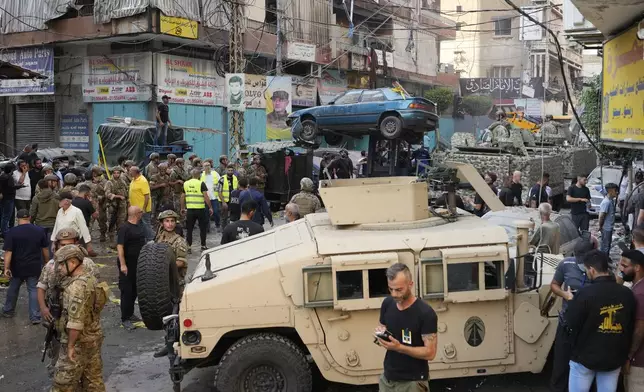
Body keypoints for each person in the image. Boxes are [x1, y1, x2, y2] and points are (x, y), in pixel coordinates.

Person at [566, 250, 635, 392]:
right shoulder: (627, 294)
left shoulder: (584, 294)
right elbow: (629, 326)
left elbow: (571, 324)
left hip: (585, 358)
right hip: (614, 358)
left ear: (591, 270)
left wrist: (572, 301)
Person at [37, 228, 99, 377]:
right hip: (57, 317)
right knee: (57, 354)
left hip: (79, 317)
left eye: (68, 245)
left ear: (76, 244)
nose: (64, 249)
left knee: (84, 357)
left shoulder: (87, 265)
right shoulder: (51, 265)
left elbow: (94, 293)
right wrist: (43, 308)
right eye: (61, 245)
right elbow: (41, 287)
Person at [50, 244, 107, 391]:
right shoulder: (90, 279)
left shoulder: (76, 288)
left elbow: (76, 323)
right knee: (94, 381)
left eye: (62, 264)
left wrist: (70, 346)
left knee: (63, 384)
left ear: (73, 263)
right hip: (93, 337)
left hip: (78, 343)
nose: (59, 268)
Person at [375, 263, 438, 391]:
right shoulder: (387, 304)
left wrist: (399, 348)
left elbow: (430, 353)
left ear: (410, 284)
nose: (394, 294)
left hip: (413, 382)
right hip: (388, 379)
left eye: (399, 290)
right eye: (390, 289)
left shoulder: (425, 313)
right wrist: (380, 336)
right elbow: (382, 327)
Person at [549, 239, 595, 392]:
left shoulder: (599, 267)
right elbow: (554, 284)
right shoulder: (566, 264)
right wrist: (565, 294)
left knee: (586, 365)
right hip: (567, 323)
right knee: (561, 364)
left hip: (588, 325)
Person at [1, 210, 49, 324]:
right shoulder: (39, 231)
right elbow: (45, 249)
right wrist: (47, 262)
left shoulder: (12, 232)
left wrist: (6, 268)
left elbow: (8, 252)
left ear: (18, 218)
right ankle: (35, 316)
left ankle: (8, 310)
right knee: (33, 289)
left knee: (13, 288)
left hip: (17, 267)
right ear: (30, 217)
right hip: (34, 266)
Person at [153, 210, 189, 358]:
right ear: (162, 223)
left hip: (175, 284)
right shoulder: (159, 238)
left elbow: (181, 262)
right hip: (162, 283)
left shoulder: (179, 241)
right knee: (165, 315)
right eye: (167, 221)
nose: (170, 224)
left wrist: (163, 264)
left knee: (176, 315)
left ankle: (178, 344)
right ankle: (168, 344)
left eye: (172, 221)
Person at [117, 206, 146, 330]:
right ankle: (125, 318)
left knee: (135, 289)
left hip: (138, 263)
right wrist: (123, 264)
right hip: (127, 264)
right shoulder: (124, 228)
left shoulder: (139, 226)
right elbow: (120, 247)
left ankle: (130, 313)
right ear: (136, 214)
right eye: (141, 212)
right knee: (127, 291)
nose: (142, 213)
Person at [619, 249, 644, 391]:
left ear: (637, 267)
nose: (621, 270)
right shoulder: (637, 287)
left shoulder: (640, 293)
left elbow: (640, 329)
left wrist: (629, 357)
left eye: (624, 266)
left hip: (638, 362)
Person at [181, 169, 213, 251]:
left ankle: (188, 247)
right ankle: (203, 245)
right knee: (203, 228)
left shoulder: (186, 183)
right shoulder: (201, 183)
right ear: (199, 175)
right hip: (200, 209)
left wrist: (182, 208)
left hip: (190, 210)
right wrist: (210, 207)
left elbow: (182, 197)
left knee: (189, 229)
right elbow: (206, 196)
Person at [129, 166, 154, 242]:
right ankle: (143, 240)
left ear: (135, 172)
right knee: (139, 225)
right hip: (135, 209)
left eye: (130, 171)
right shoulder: (134, 180)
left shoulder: (143, 181)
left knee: (146, 225)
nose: (129, 172)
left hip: (142, 209)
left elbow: (147, 196)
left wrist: (144, 208)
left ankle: (151, 240)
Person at [105, 166, 128, 241]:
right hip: (113, 206)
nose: (116, 175)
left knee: (121, 223)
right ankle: (111, 239)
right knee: (112, 223)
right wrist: (118, 196)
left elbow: (126, 192)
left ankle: (120, 239)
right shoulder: (109, 182)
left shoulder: (123, 182)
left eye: (118, 173)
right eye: (115, 173)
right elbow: (107, 194)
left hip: (122, 206)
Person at [149, 162, 172, 231]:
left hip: (164, 198)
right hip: (155, 197)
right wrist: (160, 185)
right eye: (162, 170)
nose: (163, 172)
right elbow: (151, 187)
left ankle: (161, 226)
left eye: (164, 170)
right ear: (159, 170)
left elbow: (168, 186)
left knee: (162, 212)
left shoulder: (167, 177)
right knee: (153, 212)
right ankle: (153, 227)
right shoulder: (154, 177)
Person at [89, 166, 108, 242]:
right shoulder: (91, 181)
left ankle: (103, 235)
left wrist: (101, 198)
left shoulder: (104, 181)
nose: (93, 174)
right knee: (90, 222)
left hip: (100, 204)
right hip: (92, 203)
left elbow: (106, 193)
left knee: (102, 221)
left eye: (94, 172)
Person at [218, 164, 239, 230]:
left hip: (233, 200)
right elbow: (219, 192)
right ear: (226, 170)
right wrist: (223, 202)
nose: (230, 172)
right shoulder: (222, 179)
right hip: (224, 201)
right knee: (224, 216)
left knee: (233, 216)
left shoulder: (235, 178)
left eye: (232, 170)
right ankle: (223, 230)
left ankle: (232, 229)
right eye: (229, 170)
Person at [599, 183, 618, 254]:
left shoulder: (610, 200)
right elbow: (601, 216)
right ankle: (604, 260)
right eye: (615, 190)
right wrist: (600, 226)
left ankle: (605, 258)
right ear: (611, 191)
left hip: (609, 227)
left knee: (607, 244)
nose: (617, 192)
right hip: (606, 228)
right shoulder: (606, 202)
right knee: (605, 245)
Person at [201, 161, 221, 231]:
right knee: (206, 213)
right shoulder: (201, 175)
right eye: (205, 165)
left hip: (214, 197)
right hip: (205, 197)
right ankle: (207, 228)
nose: (207, 167)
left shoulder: (215, 173)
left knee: (216, 212)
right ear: (203, 167)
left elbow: (220, 182)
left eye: (208, 165)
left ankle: (218, 224)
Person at [0, 163, 19, 235]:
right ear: (11, 170)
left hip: (3, 198)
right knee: (7, 215)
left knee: (3, 215)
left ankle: (3, 230)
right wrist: (20, 186)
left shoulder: (2, 176)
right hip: (9, 198)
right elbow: (11, 187)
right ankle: (4, 232)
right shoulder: (9, 177)